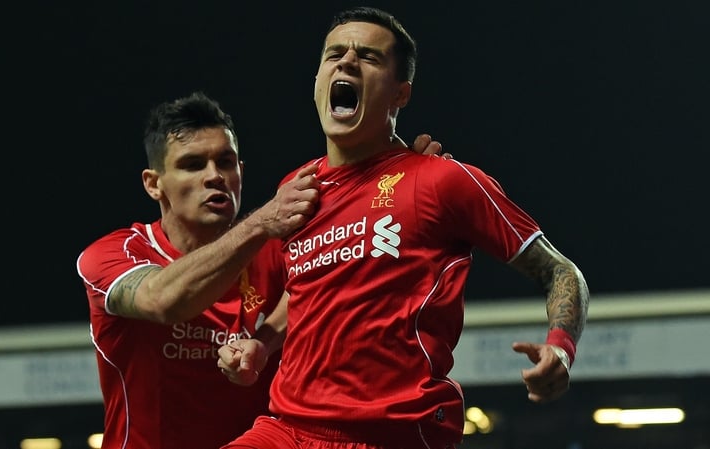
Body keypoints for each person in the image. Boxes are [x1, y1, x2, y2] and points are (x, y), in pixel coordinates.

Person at [218, 6, 590, 449]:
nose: (347, 61)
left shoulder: (442, 179)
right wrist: (261, 343)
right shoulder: (295, 190)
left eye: (369, 57)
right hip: (288, 428)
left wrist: (561, 348)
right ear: (317, 81)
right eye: (334, 54)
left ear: (401, 94)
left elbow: (563, 273)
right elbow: (304, 294)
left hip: (394, 433)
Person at [75, 91, 446, 449]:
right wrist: (260, 223)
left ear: (240, 170)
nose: (214, 176)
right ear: (154, 184)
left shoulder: (277, 249)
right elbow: (164, 301)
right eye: (192, 164)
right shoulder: (114, 256)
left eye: (226, 161)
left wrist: (408, 182)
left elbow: (355, 270)